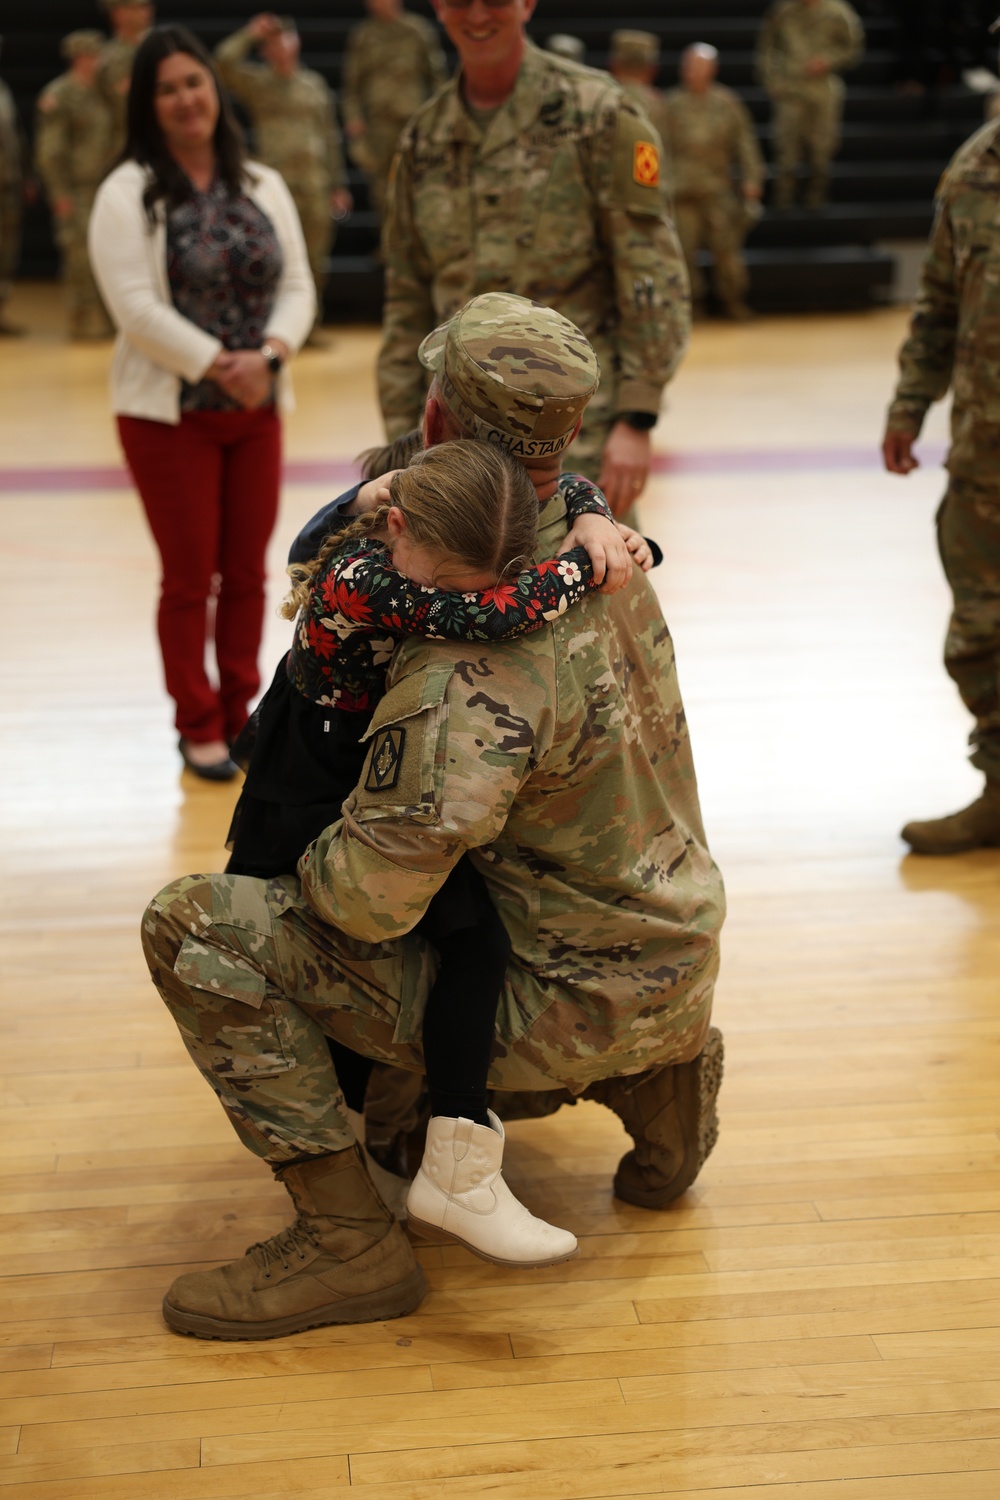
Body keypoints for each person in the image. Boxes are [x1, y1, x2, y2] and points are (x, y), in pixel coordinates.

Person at [141, 291, 725, 1340]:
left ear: (437, 427)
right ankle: (662, 1079)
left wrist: (294, 861)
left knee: (196, 927)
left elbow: (362, 908)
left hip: (558, 994)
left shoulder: (462, 667)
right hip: (672, 948)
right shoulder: (609, 557)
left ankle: (348, 1245)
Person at [229, 437, 645, 1263]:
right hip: (309, 788)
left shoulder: (401, 536)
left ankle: (429, 1164)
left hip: (353, 766)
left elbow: (534, 516)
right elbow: (488, 614)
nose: (442, 596)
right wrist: (605, 555)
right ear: (395, 523)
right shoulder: (363, 577)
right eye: (439, 580)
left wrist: (593, 513)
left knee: (456, 942)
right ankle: (384, 1174)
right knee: (346, 953)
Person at [88, 26, 314, 779]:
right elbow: (134, 307)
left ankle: (243, 711)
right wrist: (221, 364)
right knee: (189, 577)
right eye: (168, 88)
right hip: (170, 416)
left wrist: (270, 357)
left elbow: (297, 286)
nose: (186, 99)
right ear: (148, 106)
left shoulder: (262, 183)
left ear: (216, 90)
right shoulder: (125, 193)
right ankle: (196, 723)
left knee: (250, 572)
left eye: (195, 82)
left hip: (256, 410)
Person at [377, 0, 691, 518]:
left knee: (588, 585)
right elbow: (406, 300)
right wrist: (404, 440)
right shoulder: (424, 140)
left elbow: (651, 275)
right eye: (459, 1)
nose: (477, 14)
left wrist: (638, 417)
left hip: (568, 435)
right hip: (454, 443)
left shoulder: (597, 113)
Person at [883, 102, 1000, 856]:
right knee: (983, 630)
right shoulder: (974, 168)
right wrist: (910, 402)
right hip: (985, 454)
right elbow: (939, 304)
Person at [215, 14, 352, 335]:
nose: (281, 47)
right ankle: (274, 326)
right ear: (265, 51)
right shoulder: (260, 84)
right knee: (274, 256)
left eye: (286, 39)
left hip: (315, 185)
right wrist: (250, 33)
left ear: (297, 42)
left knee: (316, 260)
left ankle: (308, 327)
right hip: (277, 186)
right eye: (272, 43)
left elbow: (330, 137)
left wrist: (338, 184)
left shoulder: (314, 86)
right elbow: (222, 63)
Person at [663, 44, 764, 323]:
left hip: (717, 188)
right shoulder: (670, 104)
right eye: (688, 66)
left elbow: (745, 144)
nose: (692, 72)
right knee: (683, 251)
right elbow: (658, 146)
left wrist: (752, 179)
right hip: (682, 189)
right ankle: (692, 306)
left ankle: (733, 300)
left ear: (712, 70)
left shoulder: (728, 103)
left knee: (727, 249)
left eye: (698, 66)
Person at [35, 31, 115, 340]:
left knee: (106, 255)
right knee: (78, 258)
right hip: (77, 188)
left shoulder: (102, 93)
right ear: (80, 58)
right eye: (94, 56)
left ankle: (107, 323)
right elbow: (50, 151)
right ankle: (83, 324)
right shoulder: (60, 94)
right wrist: (60, 192)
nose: (99, 61)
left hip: (103, 187)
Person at [341, 0, 447, 227]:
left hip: (414, 122)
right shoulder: (364, 35)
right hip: (379, 124)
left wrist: (439, 117)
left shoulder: (417, 29)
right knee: (383, 189)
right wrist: (354, 118)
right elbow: (352, 86)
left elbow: (437, 77)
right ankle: (390, 249)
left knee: (421, 185)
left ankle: (420, 246)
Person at [756, 0, 864, 211]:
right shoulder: (783, 11)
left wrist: (828, 60)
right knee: (786, 152)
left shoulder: (839, 12)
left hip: (823, 91)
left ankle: (816, 202)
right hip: (790, 90)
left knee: (822, 151)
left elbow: (853, 48)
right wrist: (771, 81)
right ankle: (783, 204)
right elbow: (765, 47)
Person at [607, 30, 671, 181]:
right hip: (643, 188)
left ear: (613, 65)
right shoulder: (657, 105)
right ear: (653, 69)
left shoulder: (601, 98)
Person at [98, 0, 155, 158]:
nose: (147, 11)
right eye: (138, 8)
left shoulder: (159, 49)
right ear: (118, 14)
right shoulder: (108, 60)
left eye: (147, 6)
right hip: (130, 147)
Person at [0, 35, 25, 336]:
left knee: (5, 253)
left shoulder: (2, 89)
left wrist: (25, 174)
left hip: (8, 184)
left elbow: (14, 138)